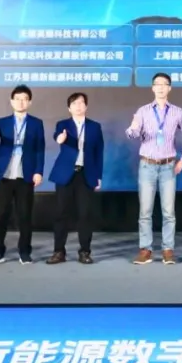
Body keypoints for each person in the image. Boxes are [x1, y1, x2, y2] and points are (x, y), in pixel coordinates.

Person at [126, 72, 182, 265]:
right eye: (157, 84)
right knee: (145, 211)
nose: (160, 87)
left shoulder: (177, 112)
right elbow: (132, 134)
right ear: (152, 88)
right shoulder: (143, 111)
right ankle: (146, 250)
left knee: (168, 212)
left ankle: (168, 250)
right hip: (147, 165)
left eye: (164, 84)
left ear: (169, 88)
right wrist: (133, 129)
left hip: (169, 166)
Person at [0, 85, 45, 265]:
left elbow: (40, 149)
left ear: (29, 102)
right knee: (1, 215)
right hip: (5, 175)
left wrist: (38, 171)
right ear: (11, 101)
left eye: (24, 99)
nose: (21, 102)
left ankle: (25, 252)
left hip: (25, 175)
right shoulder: (2, 122)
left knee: (25, 216)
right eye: (17, 99)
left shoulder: (36, 123)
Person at [47, 92, 104, 265]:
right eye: (74, 103)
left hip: (86, 174)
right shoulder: (62, 124)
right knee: (61, 213)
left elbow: (99, 152)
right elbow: (57, 136)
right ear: (69, 108)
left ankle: (85, 252)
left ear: (86, 106)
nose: (78, 106)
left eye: (81, 103)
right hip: (65, 174)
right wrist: (60, 138)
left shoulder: (94, 126)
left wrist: (98, 176)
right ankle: (59, 251)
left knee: (85, 214)